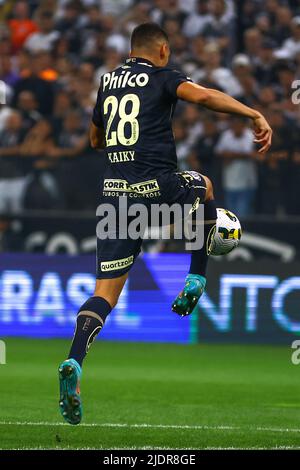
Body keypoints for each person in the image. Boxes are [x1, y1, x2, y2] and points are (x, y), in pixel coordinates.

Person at [58, 23, 272, 425]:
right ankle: (196, 277)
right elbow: (205, 96)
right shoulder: (163, 77)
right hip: (157, 183)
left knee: (105, 294)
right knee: (204, 186)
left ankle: (74, 360)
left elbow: (94, 139)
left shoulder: (107, 83)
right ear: (162, 50)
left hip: (115, 196)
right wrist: (252, 113)